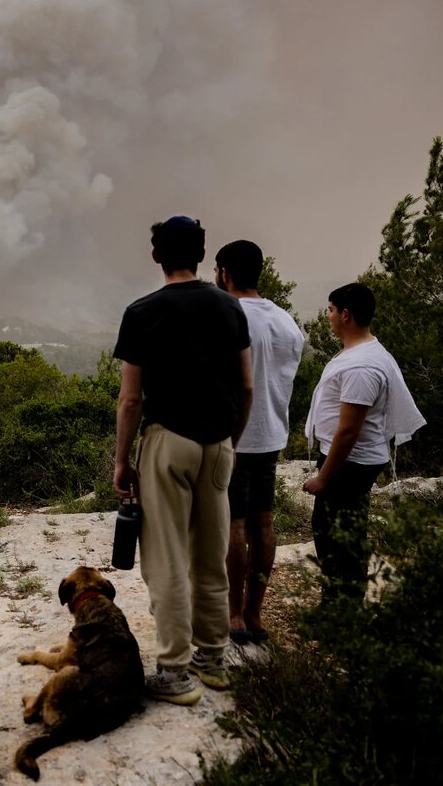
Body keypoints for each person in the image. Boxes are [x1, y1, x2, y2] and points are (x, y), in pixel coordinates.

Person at [113, 216, 253, 706]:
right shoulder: (230, 308)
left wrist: (121, 461)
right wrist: (230, 439)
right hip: (218, 444)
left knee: (167, 557)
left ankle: (174, 671)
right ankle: (213, 659)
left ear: (156, 256)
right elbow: (247, 386)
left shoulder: (142, 312)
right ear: (201, 255)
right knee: (210, 554)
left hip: (167, 441)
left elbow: (131, 400)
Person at [302, 282, 425, 601]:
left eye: (330, 310)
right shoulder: (362, 352)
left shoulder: (362, 365)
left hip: (349, 463)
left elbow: (349, 430)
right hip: (354, 460)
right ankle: (343, 605)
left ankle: (340, 609)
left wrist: (323, 477)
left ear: (345, 315)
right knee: (343, 533)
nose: (327, 316)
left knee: (335, 537)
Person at [214, 241, 305, 645]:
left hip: (233, 435)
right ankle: (255, 611)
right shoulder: (286, 322)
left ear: (224, 273)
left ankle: (233, 613)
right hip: (271, 434)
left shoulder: (225, 315)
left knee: (233, 525)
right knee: (264, 524)